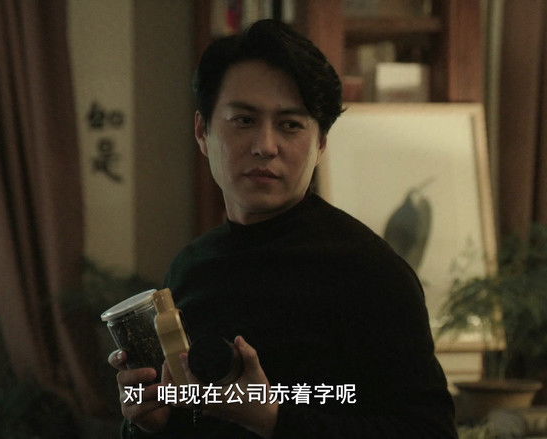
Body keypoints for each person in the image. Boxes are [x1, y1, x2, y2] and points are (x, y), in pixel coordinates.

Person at [109, 19, 457, 439]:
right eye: (244, 120)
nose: (266, 146)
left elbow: (430, 431)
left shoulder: (371, 273)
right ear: (202, 131)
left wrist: (272, 419)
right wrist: (148, 424)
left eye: (290, 125)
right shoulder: (190, 269)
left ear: (321, 143)